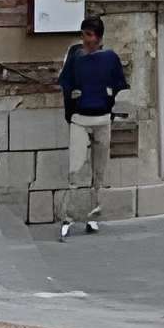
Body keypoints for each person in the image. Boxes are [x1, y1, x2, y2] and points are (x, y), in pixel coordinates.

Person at [57, 16, 127, 237]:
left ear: (98, 37)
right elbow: (65, 84)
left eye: (89, 34)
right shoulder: (75, 56)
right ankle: (68, 217)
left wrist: (109, 103)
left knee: (99, 171)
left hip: (102, 119)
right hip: (80, 119)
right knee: (75, 169)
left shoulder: (110, 58)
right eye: (83, 34)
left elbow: (119, 87)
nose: (85, 39)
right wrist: (71, 109)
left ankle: (93, 217)